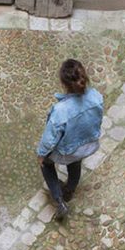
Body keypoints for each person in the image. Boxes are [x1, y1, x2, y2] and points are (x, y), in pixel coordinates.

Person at [36, 59, 104, 220]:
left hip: (67, 151)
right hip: (88, 145)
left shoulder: (60, 111)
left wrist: (41, 154)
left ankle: (59, 201)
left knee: (46, 164)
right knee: (75, 164)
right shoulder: (96, 96)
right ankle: (70, 189)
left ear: (64, 83)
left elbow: (49, 140)